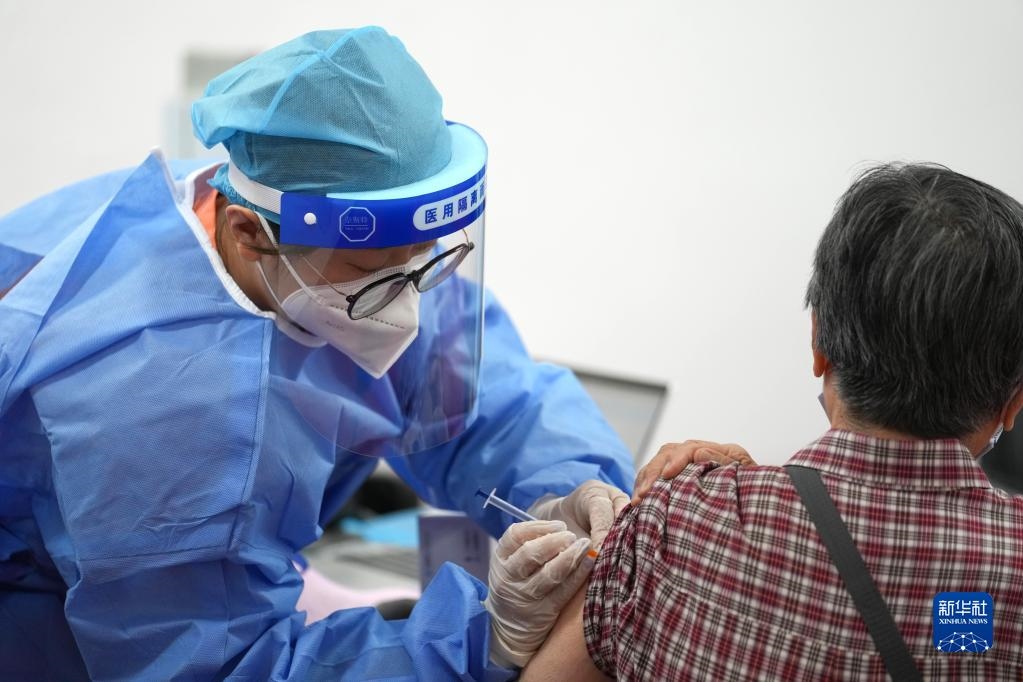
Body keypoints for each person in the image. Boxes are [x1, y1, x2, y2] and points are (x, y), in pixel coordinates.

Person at [0, 27, 634, 680]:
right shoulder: (156, 407)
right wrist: (487, 639)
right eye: (371, 274)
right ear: (249, 233)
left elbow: (485, 401)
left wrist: (566, 487)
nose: (406, 307)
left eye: (422, 260)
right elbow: (226, 665)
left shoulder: (320, 227)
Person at [519, 163, 1023, 680]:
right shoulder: (1002, 583)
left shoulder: (670, 522)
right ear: (1013, 402)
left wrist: (736, 505)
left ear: (819, 342)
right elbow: (942, 636)